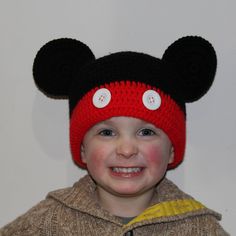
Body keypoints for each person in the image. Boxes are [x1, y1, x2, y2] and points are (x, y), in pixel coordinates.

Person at [0, 36, 229, 235]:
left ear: (171, 151)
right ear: (82, 149)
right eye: (107, 132)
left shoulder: (202, 230)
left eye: (146, 132)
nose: (127, 149)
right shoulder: (45, 224)